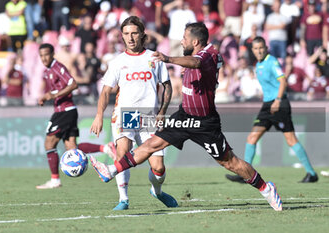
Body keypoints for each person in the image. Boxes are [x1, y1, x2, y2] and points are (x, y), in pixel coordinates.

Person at [90, 22, 283, 211]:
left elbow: (197, 63)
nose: (181, 42)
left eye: (184, 38)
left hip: (204, 121)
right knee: (151, 145)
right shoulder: (190, 54)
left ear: (196, 41)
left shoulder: (210, 54)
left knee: (229, 162)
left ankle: (266, 189)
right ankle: (111, 171)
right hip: (183, 116)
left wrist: (168, 59)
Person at [89, 16, 177, 210]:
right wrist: (98, 115)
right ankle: (123, 199)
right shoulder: (118, 62)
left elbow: (167, 87)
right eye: (126, 34)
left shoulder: (154, 58)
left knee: (159, 167)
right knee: (122, 155)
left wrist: (162, 112)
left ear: (142, 34)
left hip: (148, 115)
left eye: (134, 33)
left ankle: (157, 191)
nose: (130, 38)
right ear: (122, 36)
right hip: (125, 113)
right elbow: (106, 91)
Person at [226, 36, 318, 184]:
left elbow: (282, 81)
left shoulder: (272, 61)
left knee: (291, 139)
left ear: (266, 48)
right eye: (256, 48)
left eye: (261, 47)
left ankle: (311, 173)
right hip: (267, 106)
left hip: (279, 104)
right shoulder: (258, 65)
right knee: (252, 138)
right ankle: (246, 174)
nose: (259, 50)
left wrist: (278, 100)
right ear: (253, 50)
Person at [36, 43, 79, 189]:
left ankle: (55, 180)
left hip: (64, 111)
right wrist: (48, 96)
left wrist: (51, 95)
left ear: (53, 54)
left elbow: (73, 84)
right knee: (72, 149)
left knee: (49, 144)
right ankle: (104, 148)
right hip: (67, 110)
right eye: (41, 55)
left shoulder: (57, 67)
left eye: (46, 54)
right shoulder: (47, 71)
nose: (44, 58)